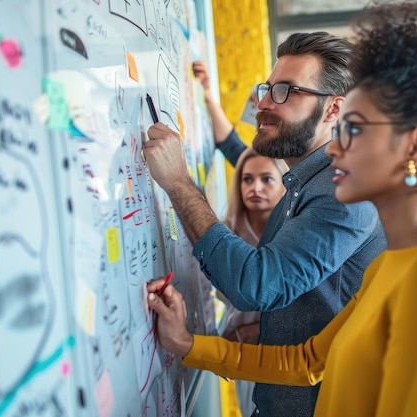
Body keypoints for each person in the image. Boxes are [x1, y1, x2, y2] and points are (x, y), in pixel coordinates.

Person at [146, 2, 417, 416]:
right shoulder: (391, 266)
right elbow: (307, 362)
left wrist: (180, 185)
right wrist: (187, 344)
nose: (333, 147)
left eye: (354, 129)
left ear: (415, 146)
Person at [144, 32, 385, 416]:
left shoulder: (345, 193)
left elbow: (257, 285)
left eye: (286, 91)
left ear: (334, 110)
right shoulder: (300, 185)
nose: (264, 103)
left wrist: (177, 182)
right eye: (268, 88)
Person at [220, 147, 288, 417]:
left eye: (267, 179)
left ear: (285, 183)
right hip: (240, 348)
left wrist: (260, 330)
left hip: (288, 352)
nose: (255, 187)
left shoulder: (294, 237)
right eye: (247, 179)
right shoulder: (225, 236)